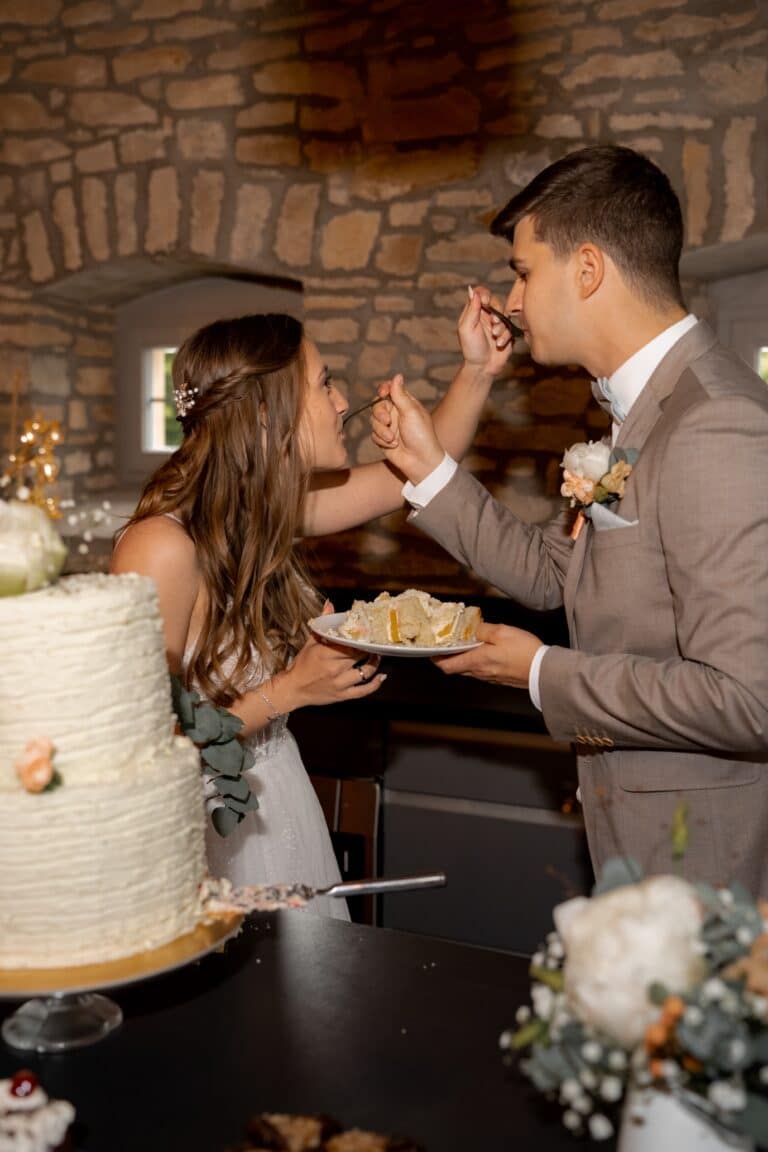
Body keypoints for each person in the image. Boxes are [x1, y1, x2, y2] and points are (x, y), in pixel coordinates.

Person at [371, 144, 768, 895]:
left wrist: (540, 673)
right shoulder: (637, 411)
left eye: (524, 273)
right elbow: (560, 576)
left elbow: (748, 698)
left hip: (704, 866)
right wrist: (427, 467)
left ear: (587, 270)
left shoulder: (715, 424)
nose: (512, 302)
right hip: (635, 845)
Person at [111, 309, 504, 916]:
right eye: (324, 383)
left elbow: (423, 468)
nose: (343, 401)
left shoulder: (265, 509)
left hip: (281, 804)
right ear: (265, 415)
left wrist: (478, 369)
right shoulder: (160, 548)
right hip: (208, 836)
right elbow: (140, 752)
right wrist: (291, 689)